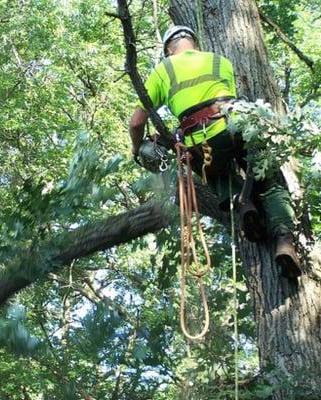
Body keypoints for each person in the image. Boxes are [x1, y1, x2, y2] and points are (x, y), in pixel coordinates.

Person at [129, 25, 301, 278]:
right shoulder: (220, 61)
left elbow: (136, 123)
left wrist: (136, 148)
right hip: (241, 125)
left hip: (204, 137)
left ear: (168, 49)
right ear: (194, 43)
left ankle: (244, 207)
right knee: (270, 183)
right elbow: (216, 102)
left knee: (216, 171)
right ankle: (284, 240)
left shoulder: (163, 69)